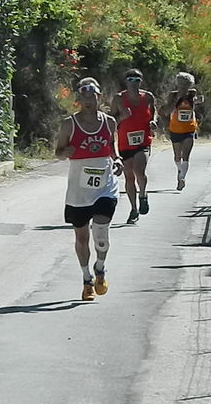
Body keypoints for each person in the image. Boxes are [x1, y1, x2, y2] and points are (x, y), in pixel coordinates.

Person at [55, 77, 124, 301]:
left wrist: (118, 159)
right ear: (79, 100)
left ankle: (101, 268)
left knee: (101, 232)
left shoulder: (109, 122)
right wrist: (67, 151)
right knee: (82, 237)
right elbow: (58, 152)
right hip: (79, 188)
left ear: (99, 97)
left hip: (105, 184)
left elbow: (112, 148)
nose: (88, 101)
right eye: (83, 97)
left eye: (92, 96)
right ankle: (86, 280)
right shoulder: (69, 124)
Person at [111, 68, 157, 224]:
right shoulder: (118, 99)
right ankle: (133, 209)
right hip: (125, 142)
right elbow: (111, 121)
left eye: (137, 80)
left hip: (143, 140)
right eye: (130, 80)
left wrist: (153, 122)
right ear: (126, 82)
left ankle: (143, 194)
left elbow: (153, 112)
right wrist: (121, 117)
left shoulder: (148, 97)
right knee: (129, 177)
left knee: (139, 170)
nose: (133, 83)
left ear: (141, 81)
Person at [162, 72, 203, 190]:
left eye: (186, 84)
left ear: (189, 85)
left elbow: (198, 100)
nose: (183, 87)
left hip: (189, 129)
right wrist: (176, 101)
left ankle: (182, 178)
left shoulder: (192, 94)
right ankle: (180, 171)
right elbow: (166, 111)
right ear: (178, 84)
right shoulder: (173, 96)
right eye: (181, 84)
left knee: (186, 156)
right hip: (175, 128)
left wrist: (197, 100)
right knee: (177, 157)